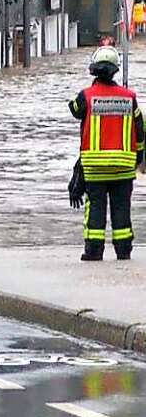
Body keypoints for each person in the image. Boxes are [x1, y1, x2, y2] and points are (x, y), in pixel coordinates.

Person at [69, 46, 145, 261]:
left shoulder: (87, 96)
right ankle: (123, 252)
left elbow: (74, 110)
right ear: (115, 70)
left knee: (95, 210)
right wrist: (138, 158)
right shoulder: (129, 98)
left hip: (95, 169)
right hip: (123, 168)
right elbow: (140, 131)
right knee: (122, 210)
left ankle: (93, 252)